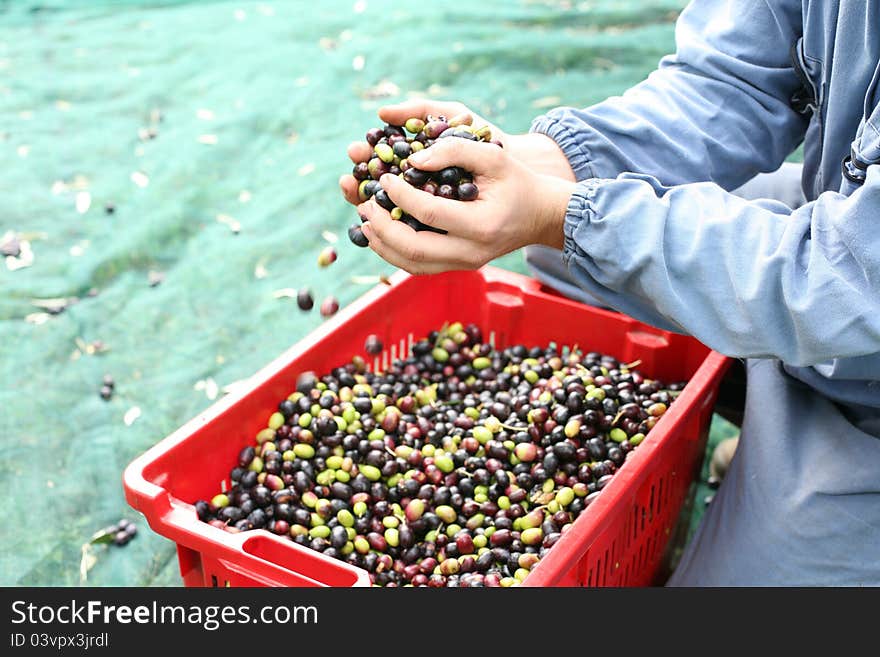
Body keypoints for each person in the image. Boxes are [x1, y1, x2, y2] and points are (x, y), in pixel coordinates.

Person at [339, 0, 880, 586]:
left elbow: (844, 278)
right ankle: (766, 418)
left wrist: (564, 214)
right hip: (841, 220)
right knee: (565, 243)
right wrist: (543, 164)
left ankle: (794, 441)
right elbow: (732, 80)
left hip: (855, 315)